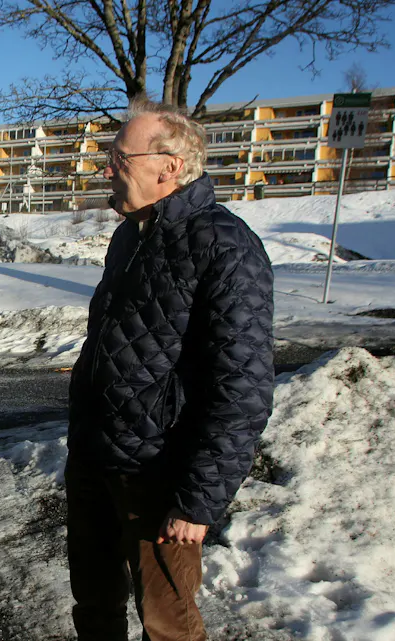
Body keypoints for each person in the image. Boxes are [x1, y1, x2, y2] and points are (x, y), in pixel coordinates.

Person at [66, 100, 274, 641]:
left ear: (171, 166)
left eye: (119, 157)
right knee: (94, 606)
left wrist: (198, 502)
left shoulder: (224, 245)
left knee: (168, 625)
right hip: (97, 459)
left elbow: (243, 388)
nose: (107, 169)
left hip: (160, 477)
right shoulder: (131, 236)